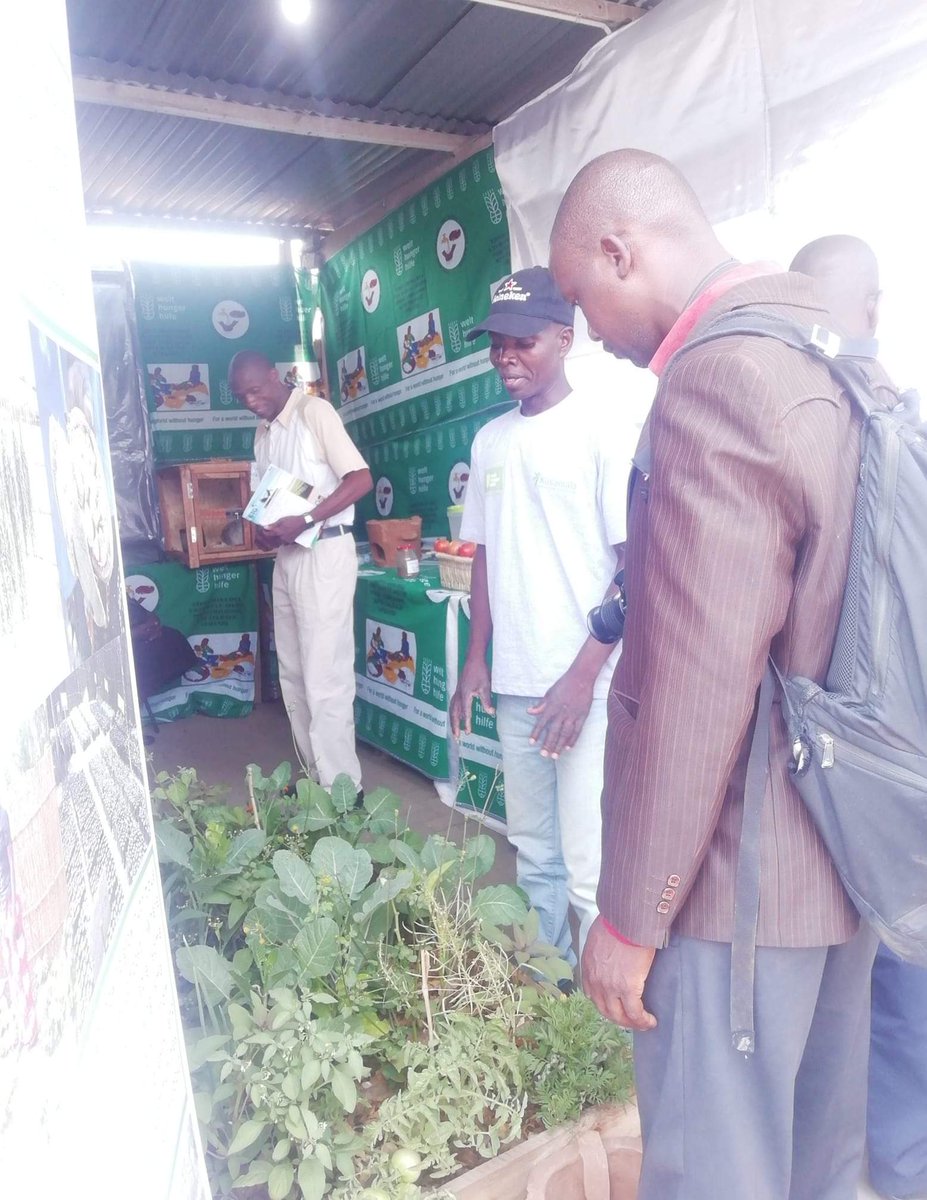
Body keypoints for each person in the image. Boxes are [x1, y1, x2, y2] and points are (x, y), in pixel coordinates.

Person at [549, 150, 897, 1200]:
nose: (588, 333)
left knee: (715, 1174)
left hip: (734, 892)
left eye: (580, 296)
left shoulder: (720, 383)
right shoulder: (839, 358)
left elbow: (699, 688)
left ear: (623, 249)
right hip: (842, 864)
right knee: (820, 1170)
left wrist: (629, 920)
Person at [791, 234, 927, 1200]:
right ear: (872, 306)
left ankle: (877, 1167)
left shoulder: (803, 421)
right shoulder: (907, 424)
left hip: (843, 758)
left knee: (862, 983)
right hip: (902, 755)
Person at [449, 267, 627, 970]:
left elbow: (632, 568)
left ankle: (599, 1029)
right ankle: (547, 996)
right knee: (533, 854)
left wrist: (583, 677)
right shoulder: (490, 440)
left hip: (585, 685)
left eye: (521, 343)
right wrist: (474, 659)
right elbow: (485, 557)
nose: (505, 358)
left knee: (587, 863)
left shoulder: (601, 431)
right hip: (518, 681)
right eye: (495, 344)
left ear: (565, 337)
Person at [228, 350, 372, 791]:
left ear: (276, 376)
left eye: (255, 389)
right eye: (241, 396)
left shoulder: (314, 413)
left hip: (324, 553)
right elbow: (267, 499)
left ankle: (343, 791)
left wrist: (307, 520)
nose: (251, 401)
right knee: (293, 673)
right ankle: (316, 778)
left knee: (324, 675)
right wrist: (265, 531)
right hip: (287, 557)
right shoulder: (264, 433)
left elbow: (360, 479)